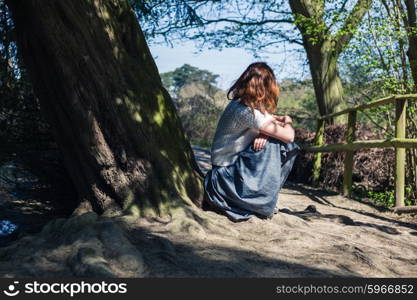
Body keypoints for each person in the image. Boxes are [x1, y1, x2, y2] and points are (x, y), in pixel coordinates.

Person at [203, 62, 300, 221]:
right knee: (283, 144)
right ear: (265, 86)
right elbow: (289, 136)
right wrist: (288, 120)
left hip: (226, 173)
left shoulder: (241, 106)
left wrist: (265, 134)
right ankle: (262, 201)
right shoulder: (246, 112)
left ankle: (263, 199)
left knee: (274, 140)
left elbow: (271, 121)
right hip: (226, 178)